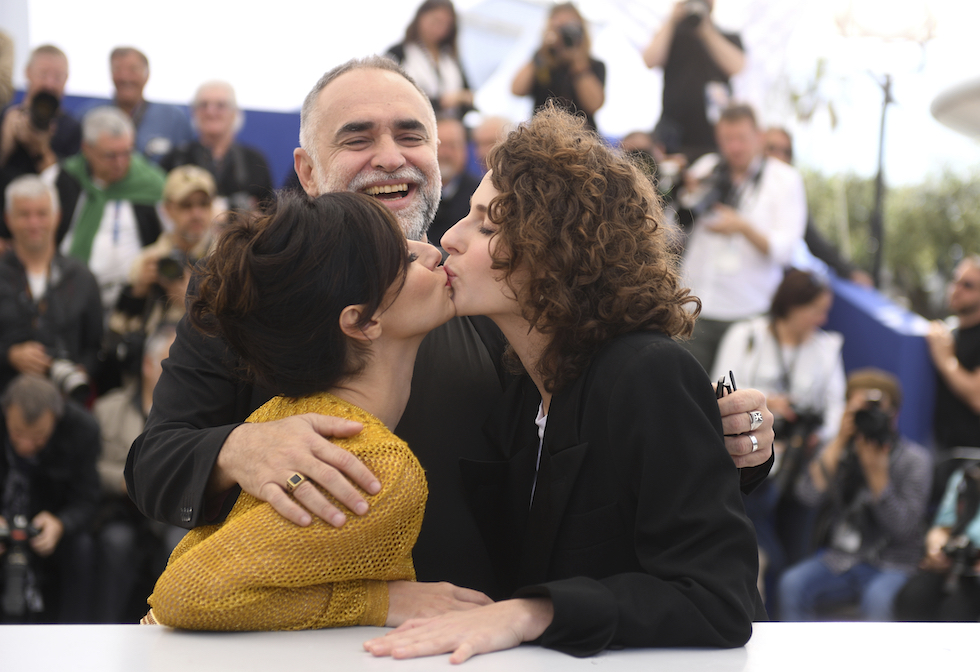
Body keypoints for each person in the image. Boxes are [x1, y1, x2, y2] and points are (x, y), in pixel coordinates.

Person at [125, 56, 774, 623]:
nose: (390, 156)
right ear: (308, 170)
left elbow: (595, 464)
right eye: (358, 137)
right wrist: (240, 448)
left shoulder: (479, 291)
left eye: (411, 134)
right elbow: (154, 467)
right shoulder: (249, 294)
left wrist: (712, 443)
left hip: (479, 640)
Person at [364, 104, 763, 663]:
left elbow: (719, 599)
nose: (451, 237)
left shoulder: (647, 372)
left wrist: (534, 612)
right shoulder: (523, 392)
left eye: (487, 225)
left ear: (555, 250)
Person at [144, 191, 456, 629]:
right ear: (362, 321)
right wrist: (377, 602)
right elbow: (185, 595)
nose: (433, 250)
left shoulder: (282, 412)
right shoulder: (378, 466)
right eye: (406, 259)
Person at [712, 269, 845, 612]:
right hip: (751, 463)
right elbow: (719, 393)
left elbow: (836, 411)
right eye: (816, 310)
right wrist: (766, 407)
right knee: (761, 552)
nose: (822, 319)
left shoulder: (826, 348)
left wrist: (814, 431)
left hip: (802, 465)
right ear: (792, 305)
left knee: (794, 555)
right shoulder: (746, 336)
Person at [778, 369, 931, 621]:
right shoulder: (838, 452)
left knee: (877, 599)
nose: (868, 417)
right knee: (792, 583)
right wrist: (839, 442)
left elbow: (903, 528)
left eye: (876, 410)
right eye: (860, 410)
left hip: (894, 563)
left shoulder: (915, 460)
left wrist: (878, 477)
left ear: (895, 414)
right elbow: (807, 496)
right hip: (841, 559)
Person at [679, 104, 807, 374]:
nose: (734, 147)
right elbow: (674, 228)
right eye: (727, 139)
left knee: (733, 393)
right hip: (696, 306)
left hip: (748, 311)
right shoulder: (708, 167)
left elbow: (786, 251)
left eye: (741, 139)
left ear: (759, 137)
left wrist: (743, 228)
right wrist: (684, 194)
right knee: (689, 388)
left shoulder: (785, 179)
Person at [100, 165, 216, 391]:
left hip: (204, 373)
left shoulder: (226, 261)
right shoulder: (149, 260)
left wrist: (191, 301)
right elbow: (116, 332)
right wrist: (137, 293)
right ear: (167, 209)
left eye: (204, 204)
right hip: (147, 376)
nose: (196, 214)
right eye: (186, 205)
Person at [92, 325, 180, 623]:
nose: (177, 372)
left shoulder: (192, 414)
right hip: (121, 511)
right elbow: (91, 466)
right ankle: (106, 627)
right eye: (169, 363)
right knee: (116, 542)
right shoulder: (108, 409)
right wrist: (124, 480)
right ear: (147, 364)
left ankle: (171, 624)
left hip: (170, 514)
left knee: (179, 544)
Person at [0, 374, 100, 623]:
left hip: (49, 524)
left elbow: (87, 499)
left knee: (82, 548)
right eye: (17, 433)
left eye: (38, 437)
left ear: (56, 418)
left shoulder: (82, 429)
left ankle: (74, 634)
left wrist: (60, 523)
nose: (25, 445)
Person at [46, 106, 164, 310]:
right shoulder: (60, 179)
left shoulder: (153, 185)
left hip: (129, 302)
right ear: (87, 149)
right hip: (62, 296)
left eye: (126, 153)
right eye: (110, 155)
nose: (120, 163)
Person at [0, 175, 102, 401]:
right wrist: (9, 355)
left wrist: (81, 370)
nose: (34, 223)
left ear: (57, 216)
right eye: (24, 215)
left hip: (65, 402)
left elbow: (95, 346)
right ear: (8, 219)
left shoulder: (81, 277)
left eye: (42, 214)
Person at [762, 127, 874, 287]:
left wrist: (849, 271)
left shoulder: (790, 194)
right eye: (772, 148)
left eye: (786, 152)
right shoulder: (738, 183)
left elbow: (814, 240)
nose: (779, 156)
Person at [642, 0, 744, 163]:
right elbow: (650, 60)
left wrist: (706, 31)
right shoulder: (673, 35)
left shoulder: (726, 37)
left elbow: (737, 66)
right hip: (674, 132)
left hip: (713, 134)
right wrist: (671, 19)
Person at [160, 81, 273, 212]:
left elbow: (268, 213)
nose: (211, 111)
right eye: (203, 105)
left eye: (220, 105)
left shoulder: (254, 161)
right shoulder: (176, 159)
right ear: (193, 112)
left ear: (234, 113)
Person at [0, 45, 81, 223]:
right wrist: (6, 141)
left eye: (57, 77)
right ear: (28, 73)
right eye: (43, 75)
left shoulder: (73, 129)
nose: (49, 84)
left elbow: (72, 190)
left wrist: (41, 149)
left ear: (66, 80)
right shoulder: (5, 117)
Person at [893, 463, 980, 621]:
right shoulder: (967, 475)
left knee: (956, 611)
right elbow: (942, 527)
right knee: (912, 598)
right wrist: (935, 548)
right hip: (960, 562)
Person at [511, 3, 605, 132]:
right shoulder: (542, 60)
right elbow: (516, 89)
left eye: (568, 27)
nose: (563, 33)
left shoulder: (593, 66)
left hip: (581, 136)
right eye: (558, 27)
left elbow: (594, 104)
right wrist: (544, 50)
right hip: (542, 134)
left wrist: (577, 60)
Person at [926, 257, 980, 456]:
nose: (957, 289)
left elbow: (977, 397)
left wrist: (945, 361)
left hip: (970, 457)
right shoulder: (950, 332)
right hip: (938, 448)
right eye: (955, 281)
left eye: (968, 285)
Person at [386, 0, 474, 119]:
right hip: (414, 119)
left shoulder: (450, 58)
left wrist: (461, 100)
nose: (440, 28)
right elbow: (391, 95)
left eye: (446, 24)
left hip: (453, 120)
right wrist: (442, 102)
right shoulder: (398, 53)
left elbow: (468, 95)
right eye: (435, 21)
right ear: (420, 18)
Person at [108, 47, 193, 164]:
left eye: (133, 69)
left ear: (147, 74)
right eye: (117, 69)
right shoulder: (91, 115)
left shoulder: (173, 119)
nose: (125, 77)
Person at [429, 117, 479, 247]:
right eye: (439, 145)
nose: (445, 153)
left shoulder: (479, 194)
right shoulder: (412, 193)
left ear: (465, 151)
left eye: (453, 146)